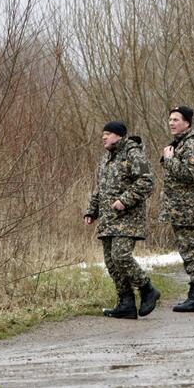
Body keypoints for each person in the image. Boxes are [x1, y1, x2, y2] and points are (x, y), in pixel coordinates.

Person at [84, 121, 160, 319]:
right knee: (111, 263)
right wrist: (92, 211)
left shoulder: (133, 153)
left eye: (108, 134)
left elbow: (147, 181)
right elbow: (100, 188)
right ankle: (126, 303)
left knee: (121, 257)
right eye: (103, 134)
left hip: (128, 218)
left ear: (119, 136)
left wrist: (124, 201)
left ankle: (147, 288)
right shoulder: (106, 159)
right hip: (108, 220)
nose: (104, 137)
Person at [159, 106, 194, 312]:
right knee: (188, 251)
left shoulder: (191, 145)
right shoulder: (180, 144)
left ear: (187, 123)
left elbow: (191, 175)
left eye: (176, 119)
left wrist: (170, 161)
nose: (171, 123)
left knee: (191, 252)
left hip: (187, 209)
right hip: (179, 208)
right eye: (170, 119)